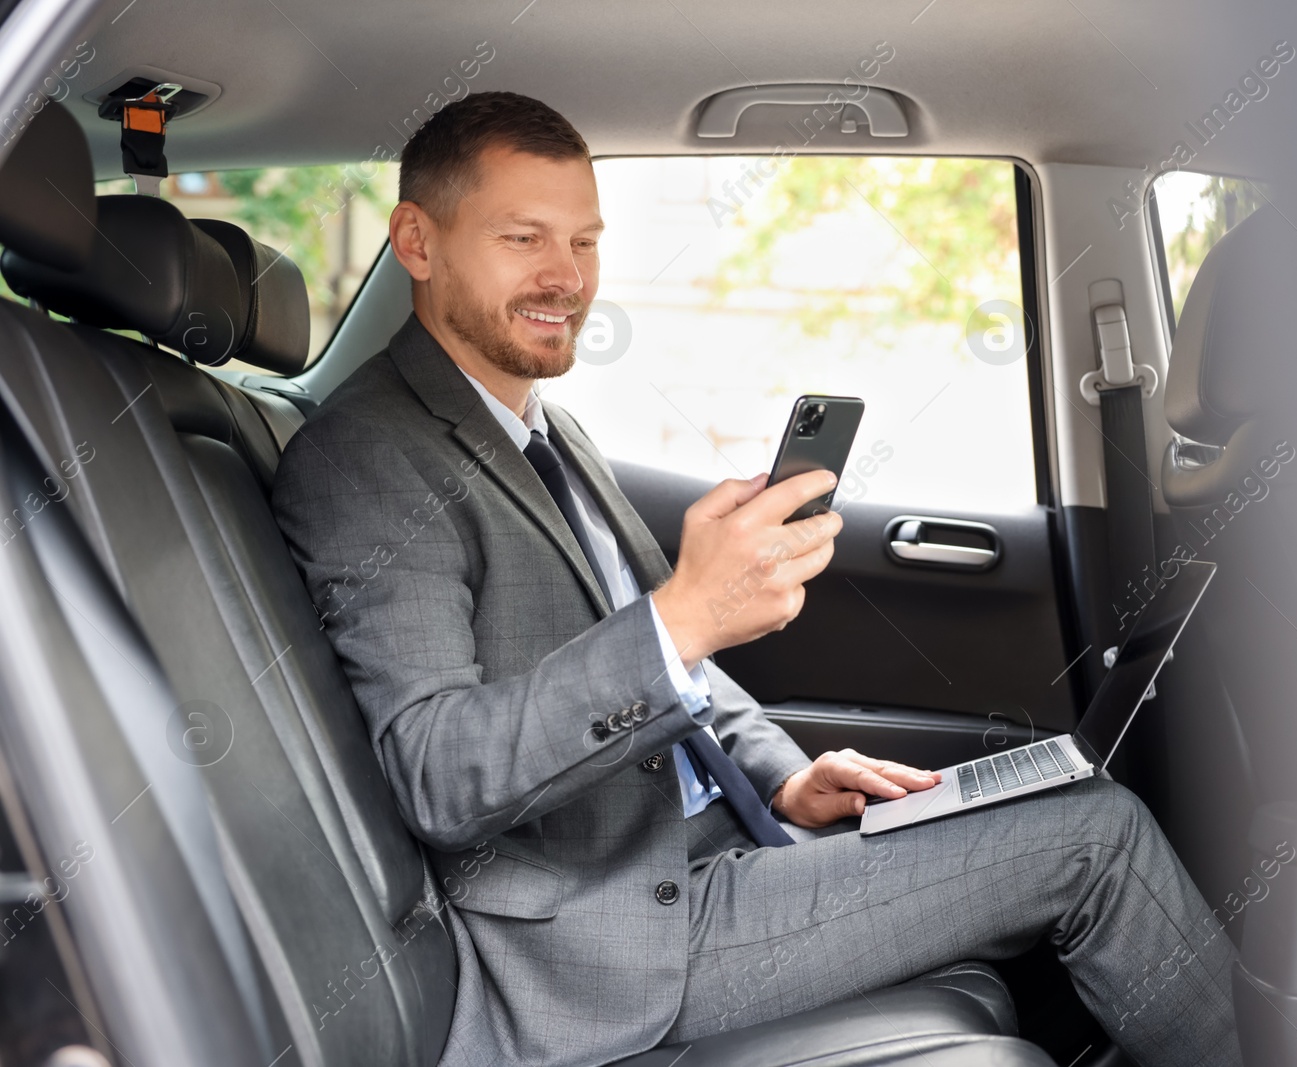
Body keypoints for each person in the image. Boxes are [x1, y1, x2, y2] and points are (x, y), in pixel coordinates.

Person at [271, 90, 1242, 1067]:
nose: (566, 276)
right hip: (614, 941)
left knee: (1056, 798)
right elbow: (440, 772)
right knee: (1093, 835)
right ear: (417, 241)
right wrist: (685, 613)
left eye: (586, 242)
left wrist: (784, 776)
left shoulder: (546, 429)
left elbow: (671, 674)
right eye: (523, 238)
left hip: (714, 851)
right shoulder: (368, 455)